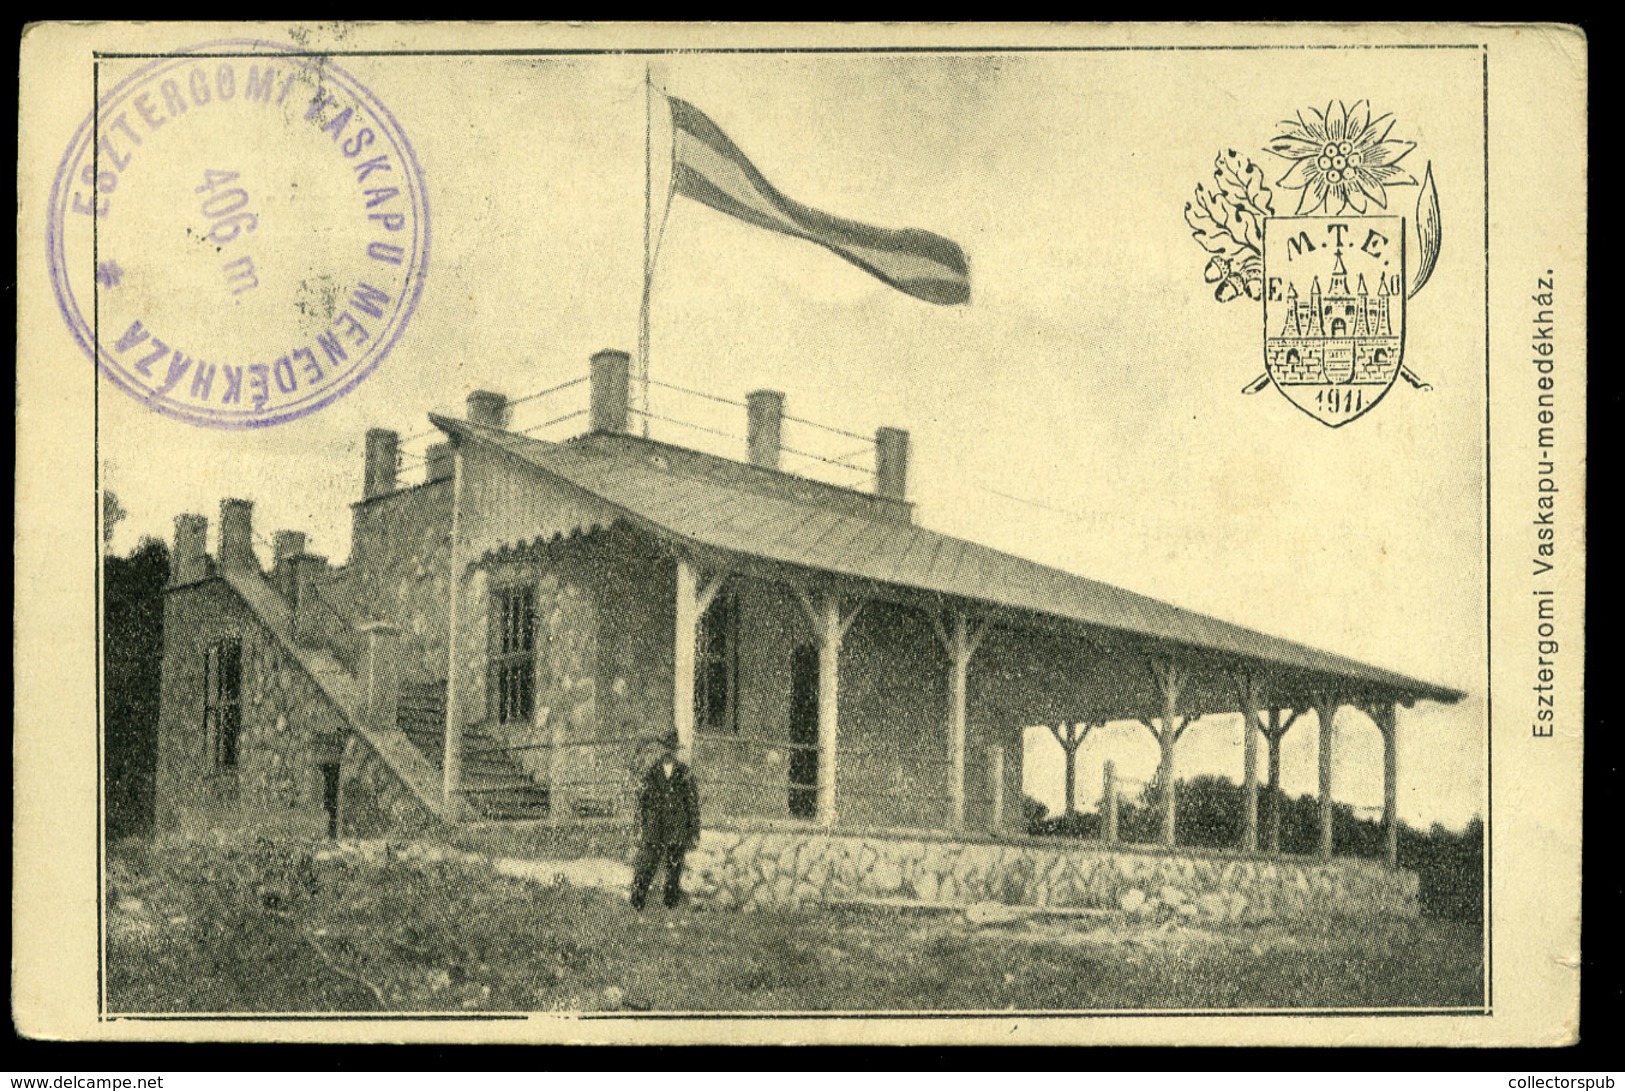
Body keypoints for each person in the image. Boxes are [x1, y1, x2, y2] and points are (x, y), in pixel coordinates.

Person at [629, 731, 700, 911]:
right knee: (648, 864)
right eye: (666, 748)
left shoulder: (685, 773)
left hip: (677, 826)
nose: (669, 752)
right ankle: (637, 902)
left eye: (672, 749)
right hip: (656, 827)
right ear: (662, 750)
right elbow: (643, 802)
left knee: (674, 867)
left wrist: (694, 831)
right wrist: (643, 825)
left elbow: (692, 804)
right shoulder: (652, 772)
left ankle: (671, 904)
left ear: (676, 751)